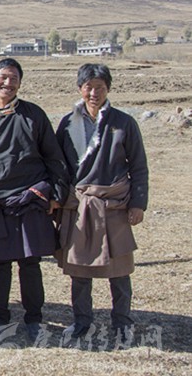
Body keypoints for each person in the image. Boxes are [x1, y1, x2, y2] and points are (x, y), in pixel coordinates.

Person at [0, 58, 69, 344]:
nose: (7, 83)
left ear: (20, 83)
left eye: (13, 79)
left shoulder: (33, 115)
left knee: (30, 262)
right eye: (3, 78)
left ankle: (34, 317)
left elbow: (53, 157)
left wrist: (56, 194)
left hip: (29, 197)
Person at [55, 64, 148, 348]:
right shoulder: (67, 123)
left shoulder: (123, 123)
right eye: (89, 87)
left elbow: (139, 166)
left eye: (100, 87)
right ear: (80, 88)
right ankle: (82, 321)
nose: (94, 93)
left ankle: (122, 322)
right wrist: (59, 201)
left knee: (119, 269)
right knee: (79, 269)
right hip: (80, 204)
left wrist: (138, 203)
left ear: (108, 89)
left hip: (113, 204)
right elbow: (58, 166)